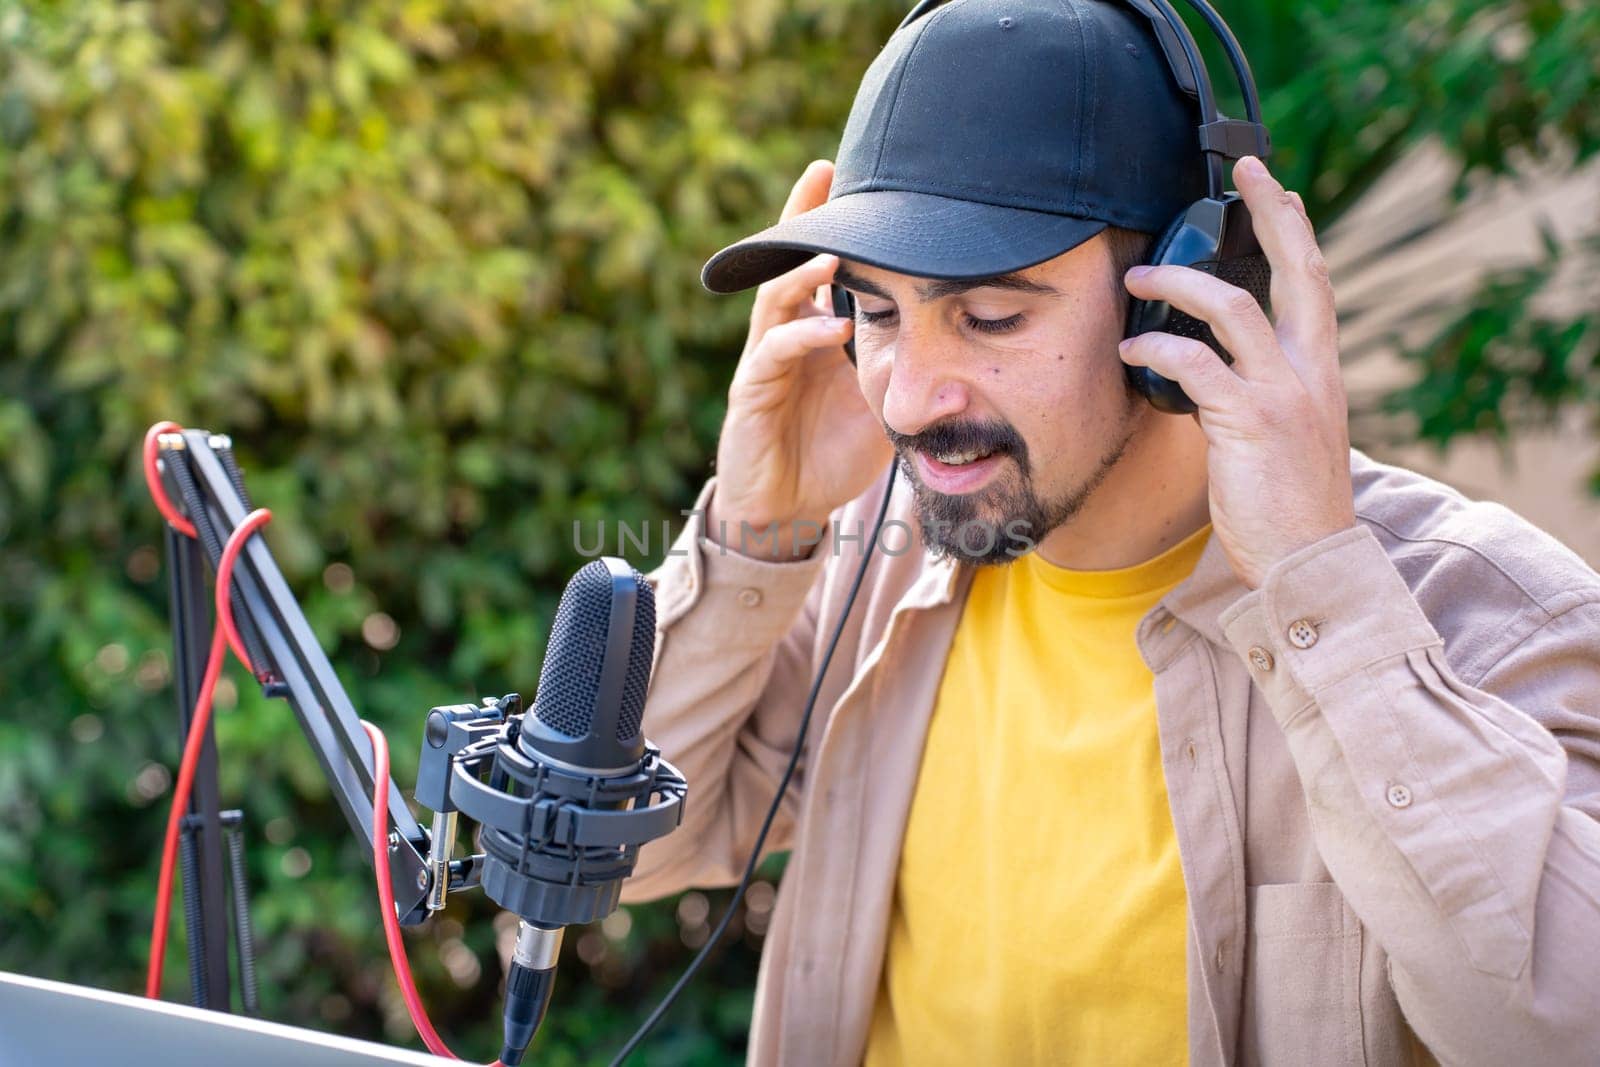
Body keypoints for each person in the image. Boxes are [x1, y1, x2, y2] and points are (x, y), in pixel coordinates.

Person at [619, 1, 1600, 1064]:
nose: (905, 398)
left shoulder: (1491, 615)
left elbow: (1551, 1030)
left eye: (990, 316)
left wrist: (1320, 590)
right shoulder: (872, 557)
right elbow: (630, 852)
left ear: (1184, 299)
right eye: (875, 312)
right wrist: (758, 531)